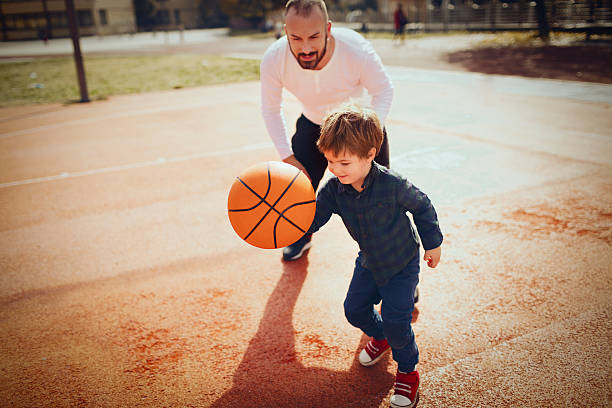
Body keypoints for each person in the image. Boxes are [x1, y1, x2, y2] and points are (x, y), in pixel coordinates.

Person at [308, 104, 443, 408]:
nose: (335, 170)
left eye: (343, 162)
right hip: (369, 261)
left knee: (398, 322)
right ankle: (380, 336)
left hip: (401, 263)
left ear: (370, 154)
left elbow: (422, 206)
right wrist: (292, 226)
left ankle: (408, 372)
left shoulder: (393, 185)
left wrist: (433, 244)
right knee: (354, 309)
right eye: (330, 161)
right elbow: (314, 219)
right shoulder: (333, 190)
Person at [260, 0, 394, 261]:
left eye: (314, 36)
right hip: (313, 124)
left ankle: (395, 265)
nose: (306, 47)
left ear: (328, 29)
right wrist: (288, 158)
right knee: (295, 188)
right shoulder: (275, 58)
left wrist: (368, 133)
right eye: (296, 38)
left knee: (380, 198)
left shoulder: (355, 50)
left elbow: (384, 91)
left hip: (358, 125)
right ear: (285, 30)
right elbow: (270, 109)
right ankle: (301, 236)